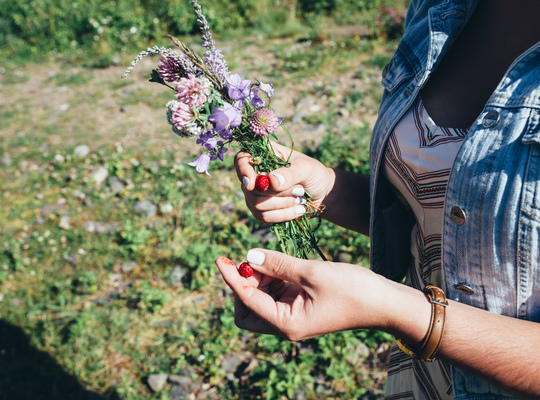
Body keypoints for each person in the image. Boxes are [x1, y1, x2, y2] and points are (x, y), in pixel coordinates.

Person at [215, 0, 540, 398]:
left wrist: (390, 308)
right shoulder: (438, 7)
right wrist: (327, 189)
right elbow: (441, 217)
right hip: (424, 383)